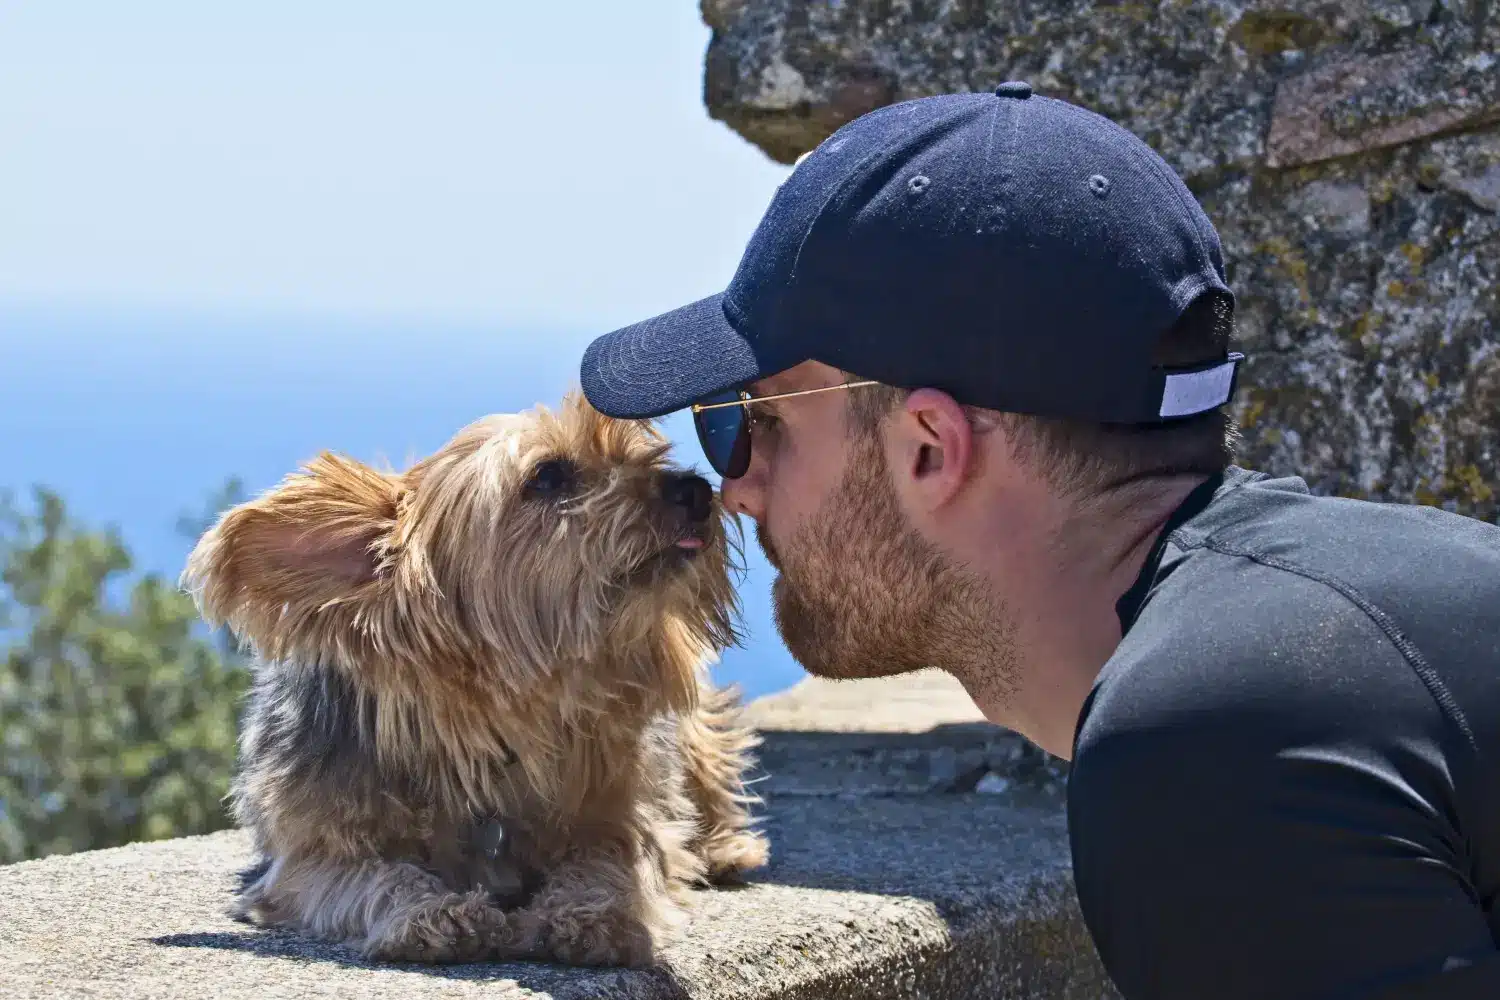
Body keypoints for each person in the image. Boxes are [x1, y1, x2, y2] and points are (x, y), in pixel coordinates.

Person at [577, 82, 1500, 998]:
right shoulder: (1397, 599)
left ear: (932, 451)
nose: (735, 487)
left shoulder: (1210, 747)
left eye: (757, 422)